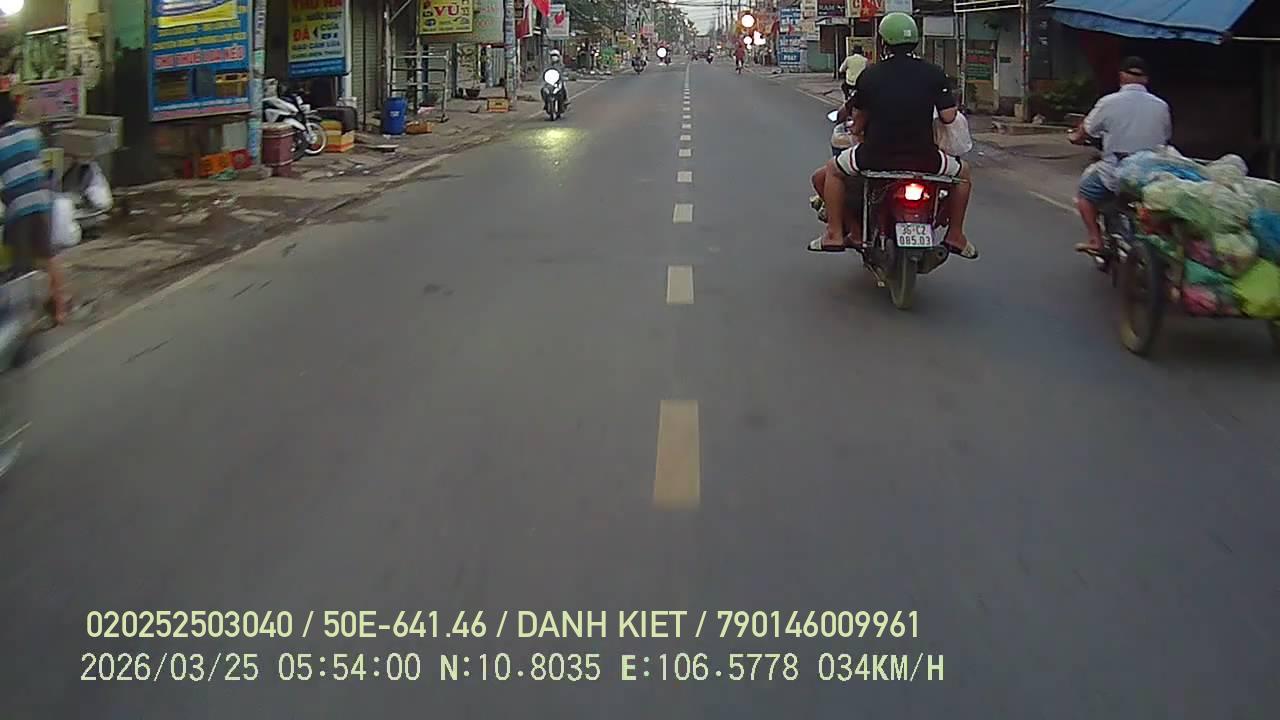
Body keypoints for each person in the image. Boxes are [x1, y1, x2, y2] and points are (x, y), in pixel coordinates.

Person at [809, 12, 977, 259]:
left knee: (832, 171)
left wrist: (857, 128)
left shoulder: (871, 74)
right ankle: (955, 234)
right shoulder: (934, 73)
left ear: (883, 42)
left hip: (875, 157)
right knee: (963, 175)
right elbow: (949, 117)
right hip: (925, 158)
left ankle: (834, 233)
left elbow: (858, 123)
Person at [1068, 56, 1171, 255]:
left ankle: (1096, 241)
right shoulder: (1161, 105)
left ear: (1121, 76)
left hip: (1118, 169)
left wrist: (1075, 137)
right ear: (1146, 79)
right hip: (1153, 171)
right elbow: (1166, 136)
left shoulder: (1108, 102)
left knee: (1085, 195)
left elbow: (1086, 130)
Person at [0, 93, 67, 324]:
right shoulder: (31, 132)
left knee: (20, 262)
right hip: (43, 199)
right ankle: (60, 310)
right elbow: (37, 163)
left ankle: (22, 318)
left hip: (19, 205)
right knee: (49, 255)